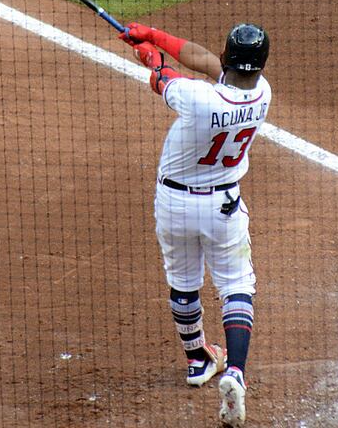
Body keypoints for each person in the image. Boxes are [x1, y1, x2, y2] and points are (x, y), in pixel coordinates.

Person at [119, 22, 271, 427]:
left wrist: (149, 56)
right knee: (237, 284)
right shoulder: (261, 92)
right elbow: (201, 61)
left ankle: (196, 362)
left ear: (227, 57)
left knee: (183, 281)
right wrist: (153, 35)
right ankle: (235, 370)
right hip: (222, 205)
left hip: (174, 204)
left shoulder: (197, 98)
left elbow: (162, 78)